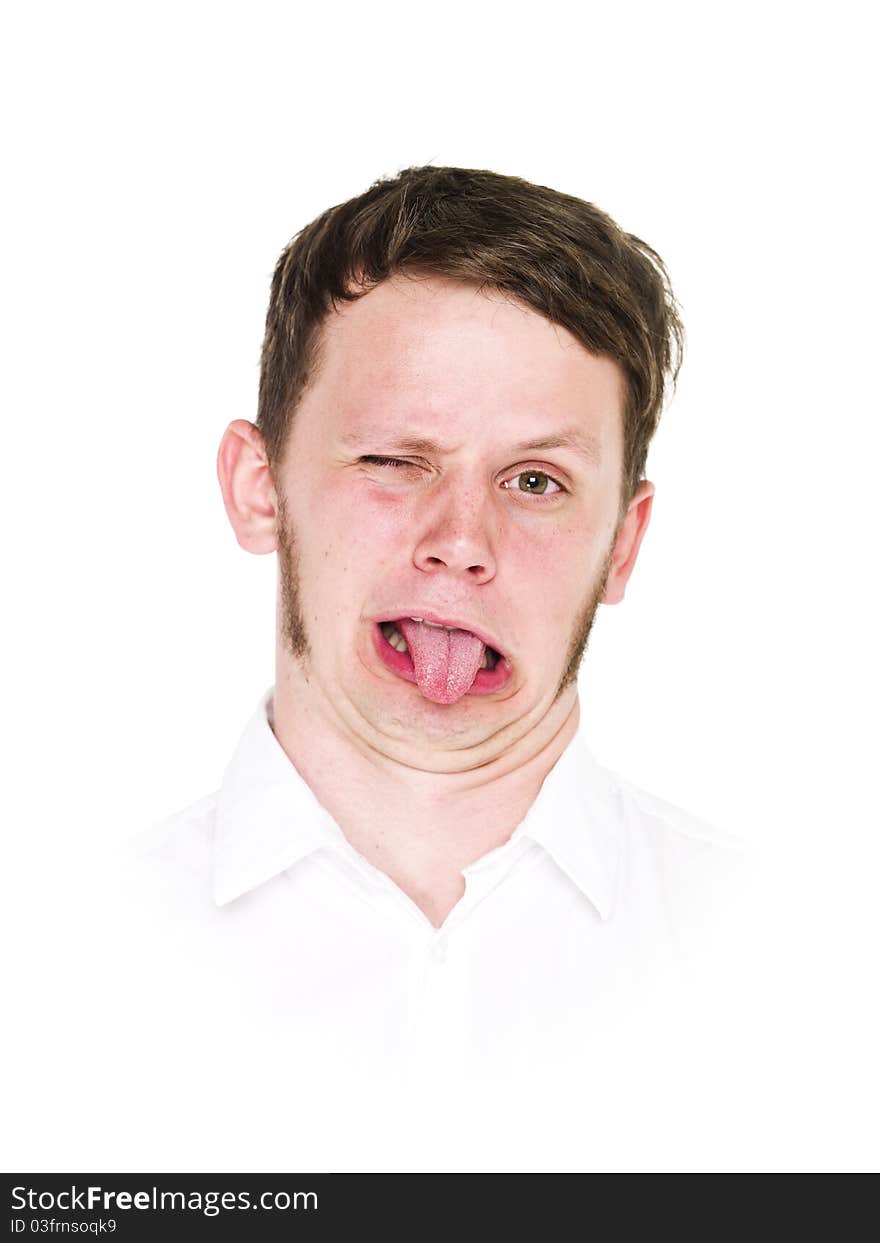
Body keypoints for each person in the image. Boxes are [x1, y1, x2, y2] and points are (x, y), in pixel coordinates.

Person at [124, 165, 751, 1083]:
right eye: (393, 459)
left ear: (622, 544)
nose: (461, 543)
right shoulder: (63, 959)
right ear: (261, 490)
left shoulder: (790, 955)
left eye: (535, 480)